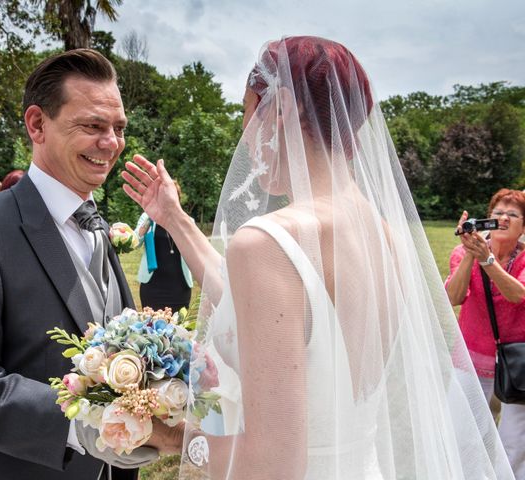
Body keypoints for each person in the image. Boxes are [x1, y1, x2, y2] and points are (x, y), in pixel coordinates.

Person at [122, 36, 514, 479]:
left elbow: (273, 464)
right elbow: (265, 310)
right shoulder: (381, 233)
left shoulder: (267, 241)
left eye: (247, 114)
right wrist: (175, 219)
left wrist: (170, 436)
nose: (245, 140)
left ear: (282, 108)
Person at [0, 49, 179, 480]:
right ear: (37, 124)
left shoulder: (95, 225)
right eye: (93, 126)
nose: (111, 143)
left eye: (118, 128)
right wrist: (86, 424)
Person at [446, 188, 525, 478]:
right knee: (466, 437)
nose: (503, 218)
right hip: (471, 360)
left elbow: (518, 294)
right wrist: (470, 254)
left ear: (523, 228)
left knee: (515, 443)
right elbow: (454, 296)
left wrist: (488, 261)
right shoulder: (463, 252)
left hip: (519, 364)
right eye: (497, 213)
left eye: (513, 215)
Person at [135, 180, 193, 312]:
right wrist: (150, 218)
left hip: (180, 287)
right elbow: (136, 241)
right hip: (152, 287)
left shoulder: (187, 221)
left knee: (181, 329)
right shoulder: (147, 217)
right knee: (150, 329)